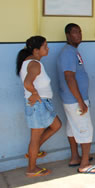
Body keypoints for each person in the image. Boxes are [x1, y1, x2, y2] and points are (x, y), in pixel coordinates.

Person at [57, 23, 95, 174]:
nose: (79, 34)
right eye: (75, 32)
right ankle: (84, 165)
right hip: (75, 100)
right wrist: (80, 101)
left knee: (72, 128)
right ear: (68, 35)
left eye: (80, 31)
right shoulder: (68, 53)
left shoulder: (72, 51)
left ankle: (75, 157)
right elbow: (69, 77)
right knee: (86, 130)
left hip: (72, 99)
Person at [17, 36, 62, 178]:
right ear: (36, 50)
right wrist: (35, 93)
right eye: (45, 46)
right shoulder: (34, 64)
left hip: (43, 104)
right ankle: (31, 168)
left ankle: (33, 152)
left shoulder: (31, 62)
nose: (47, 48)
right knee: (35, 138)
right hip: (38, 105)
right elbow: (27, 83)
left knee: (56, 125)